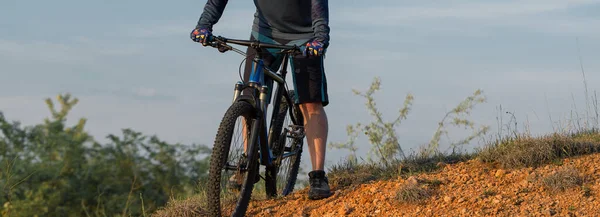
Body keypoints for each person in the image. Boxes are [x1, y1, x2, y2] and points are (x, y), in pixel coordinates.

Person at [190, 0, 333, 200]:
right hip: (264, 34)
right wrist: (204, 25)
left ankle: (318, 176)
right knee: (250, 94)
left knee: (310, 103)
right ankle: (249, 159)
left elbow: (318, 5)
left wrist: (320, 38)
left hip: (305, 39)